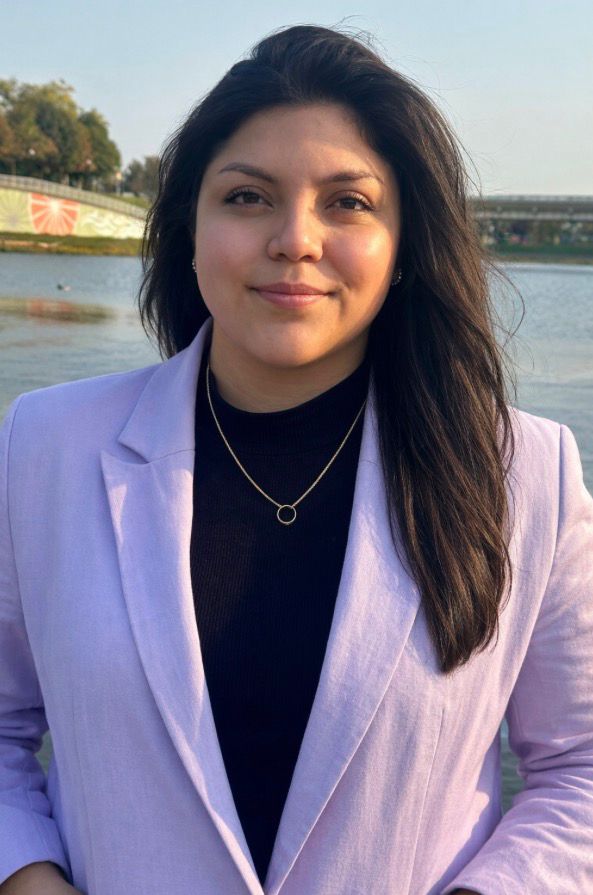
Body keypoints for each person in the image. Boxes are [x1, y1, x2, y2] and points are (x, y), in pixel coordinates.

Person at [0, 23, 592, 895]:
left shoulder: (524, 474)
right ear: (188, 228)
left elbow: (578, 763)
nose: (295, 239)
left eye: (347, 202)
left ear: (404, 244)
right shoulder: (47, 445)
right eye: (247, 197)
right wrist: (27, 879)